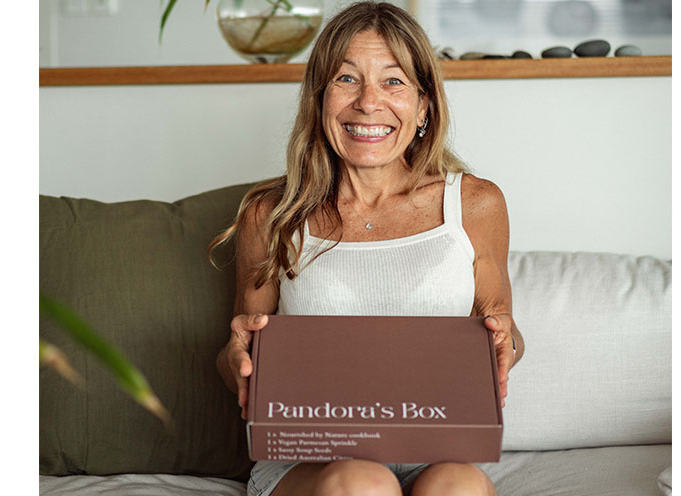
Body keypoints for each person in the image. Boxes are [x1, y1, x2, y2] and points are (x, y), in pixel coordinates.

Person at [211, 2, 524, 495]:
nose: (368, 102)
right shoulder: (270, 214)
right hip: (314, 460)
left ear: (423, 105)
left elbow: (504, 330)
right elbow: (239, 360)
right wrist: (237, 361)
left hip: (436, 448)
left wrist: (507, 344)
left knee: (461, 486)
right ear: (319, 99)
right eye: (346, 79)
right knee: (364, 482)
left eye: (393, 81)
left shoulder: (476, 204)